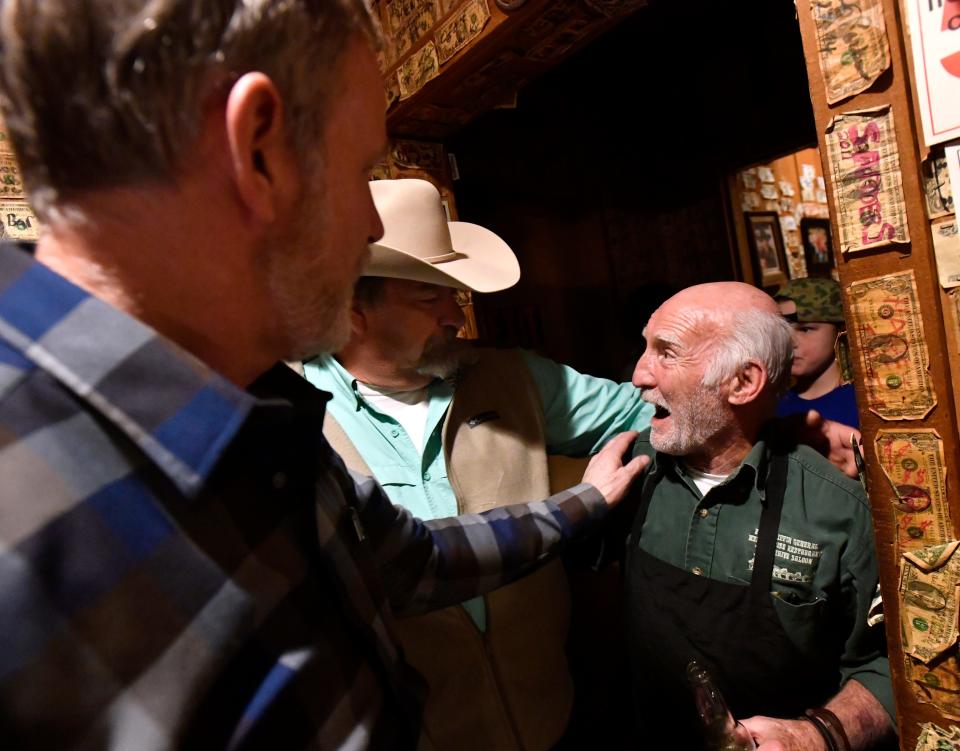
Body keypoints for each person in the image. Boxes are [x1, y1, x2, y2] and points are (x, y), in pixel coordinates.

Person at [0, 3, 648, 747]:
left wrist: (585, 502)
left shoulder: (265, 403)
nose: (372, 228)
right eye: (362, 170)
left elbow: (414, 560)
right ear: (258, 151)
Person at [303, 177, 653, 750]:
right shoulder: (296, 416)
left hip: (550, 722)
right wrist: (579, 504)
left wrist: (783, 423)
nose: (455, 317)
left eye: (454, 293)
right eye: (428, 297)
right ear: (352, 307)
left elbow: (653, 410)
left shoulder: (514, 377)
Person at [624, 282, 894, 750]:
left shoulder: (838, 508)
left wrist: (819, 735)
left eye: (667, 353)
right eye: (645, 347)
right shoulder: (628, 474)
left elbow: (899, 665)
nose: (638, 375)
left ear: (743, 382)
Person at [775, 277, 859, 428]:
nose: (790, 342)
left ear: (840, 331)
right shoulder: (772, 407)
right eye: (782, 330)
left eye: (805, 329)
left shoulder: (862, 403)